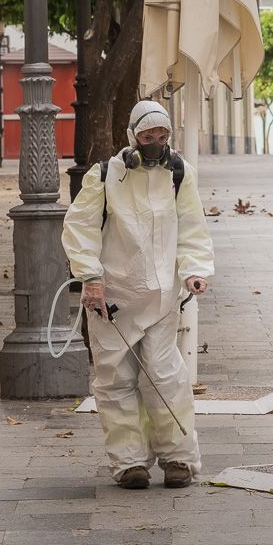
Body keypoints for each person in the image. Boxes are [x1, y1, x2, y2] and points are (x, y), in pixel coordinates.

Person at [61, 99, 214, 489]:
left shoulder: (180, 174)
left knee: (166, 376)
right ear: (133, 137)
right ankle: (129, 462)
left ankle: (178, 457)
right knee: (114, 380)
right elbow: (80, 226)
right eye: (148, 136)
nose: (155, 142)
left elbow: (192, 226)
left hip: (162, 297)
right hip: (111, 297)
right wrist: (90, 277)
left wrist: (195, 269)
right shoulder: (105, 176)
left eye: (162, 136)